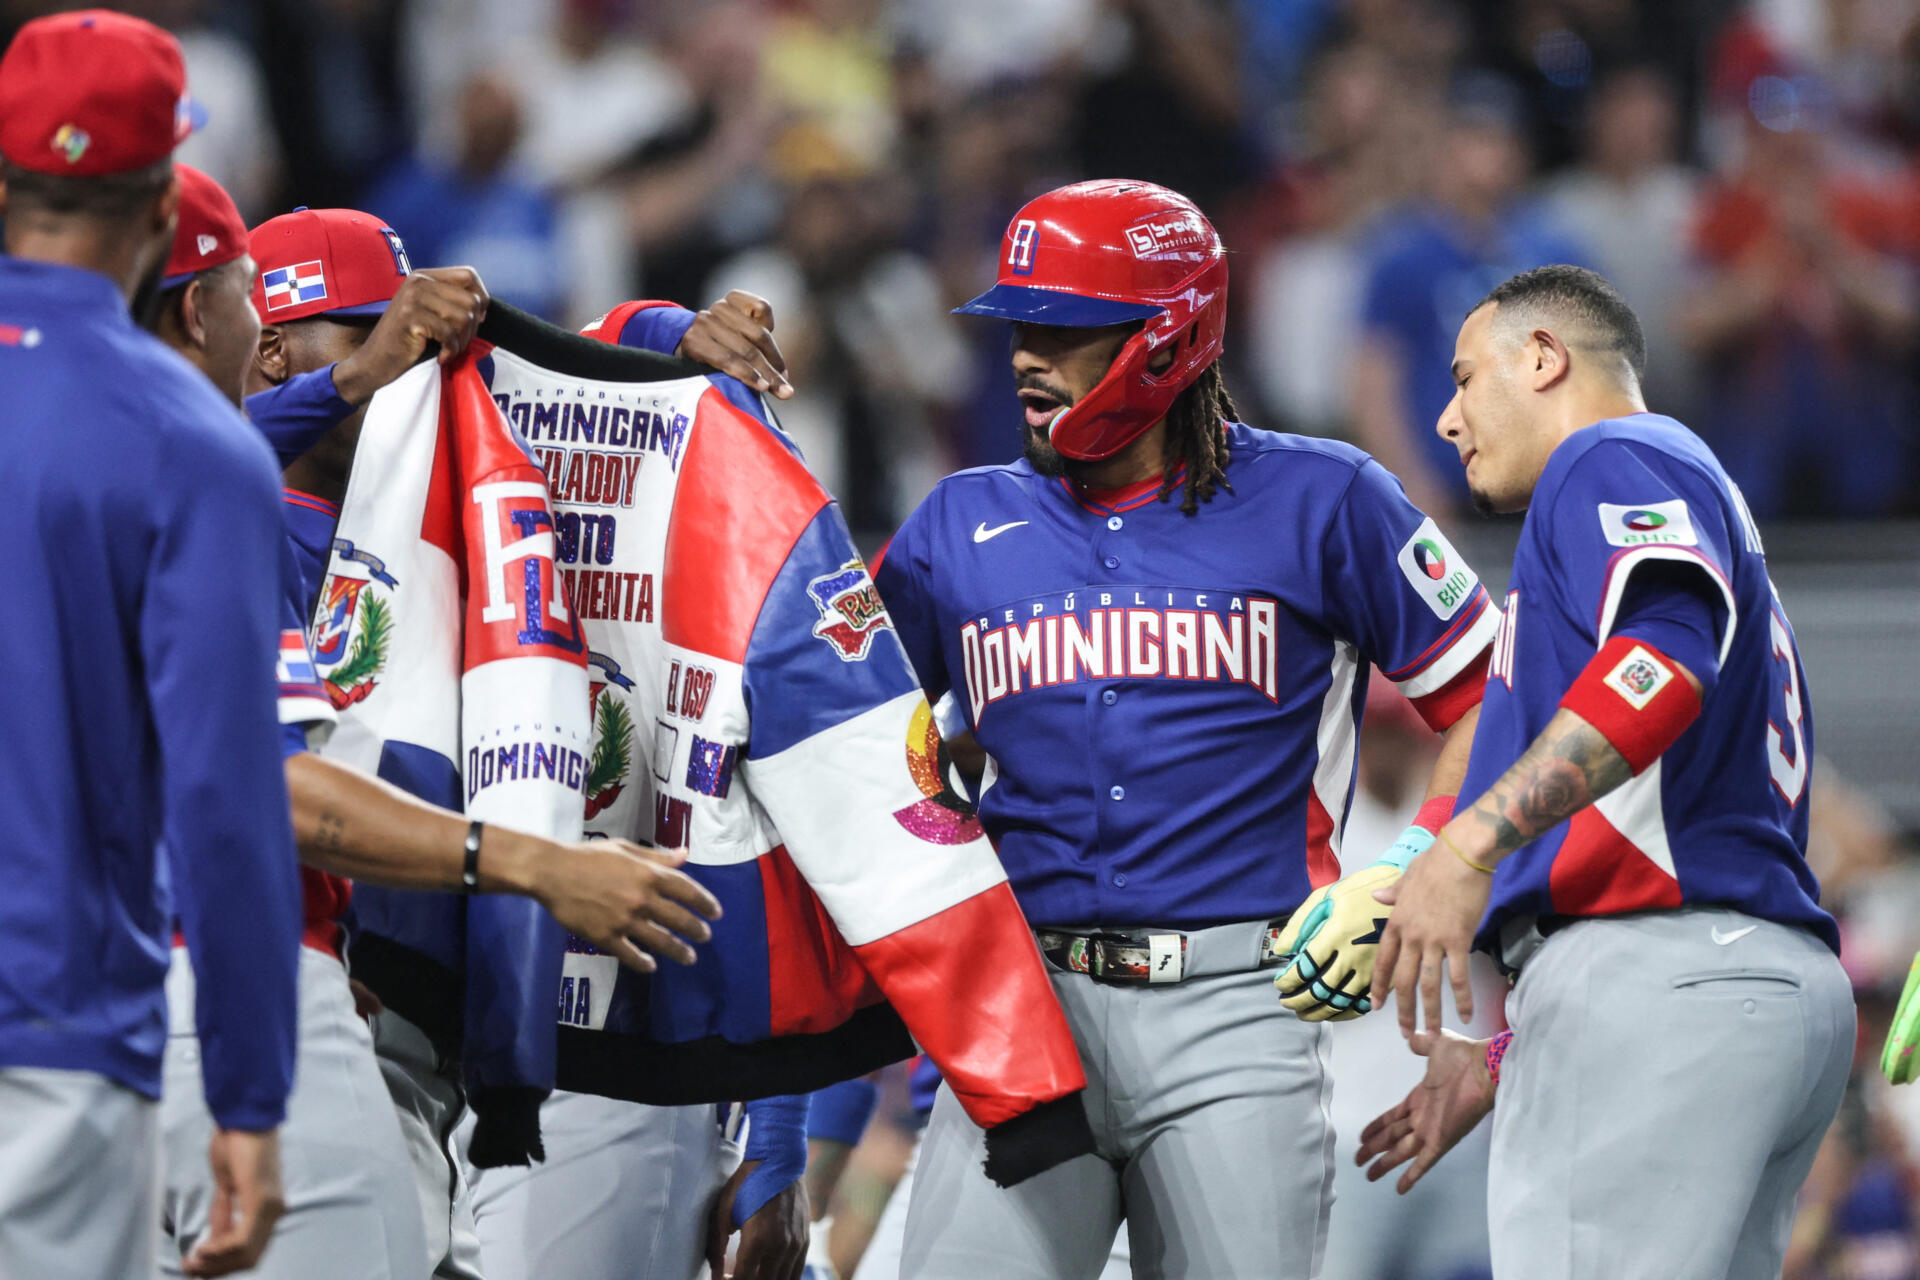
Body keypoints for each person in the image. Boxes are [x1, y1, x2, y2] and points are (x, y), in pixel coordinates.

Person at [871, 179, 1499, 1279]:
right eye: (1021, 325)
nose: (1026, 355)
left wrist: (1411, 864)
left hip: (1241, 1013)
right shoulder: (953, 525)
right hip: (1025, 1011)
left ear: (1168, 339)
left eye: (1063, 330)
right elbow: (845, 748)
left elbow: (1496, 693)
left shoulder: (1326, 496)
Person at [149, 163, 729, 1279]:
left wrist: (667, 337)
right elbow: (182, 454)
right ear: (268, 350)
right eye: (377, 329)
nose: (425, 361)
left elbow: (558, 378)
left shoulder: (447, 511)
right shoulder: (234, 505)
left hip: (437, 1014)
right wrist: (354, 378)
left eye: (428, 335)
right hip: (290, 993)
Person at [1360, 264, 1855, 1279]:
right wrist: (1509, 1056)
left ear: (1543, 358)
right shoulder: (1675, 489)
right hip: (1746, 982)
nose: (1447, 421)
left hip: (1662, 982)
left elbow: (1664, 662)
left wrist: (1467, 842)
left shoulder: (1608, 454)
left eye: (1462, 379)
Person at [0, 11, 297, 1278]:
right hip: (53, 1040)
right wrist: (249, 1093)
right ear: (165, 209)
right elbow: (229, 802)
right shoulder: (193, 441)